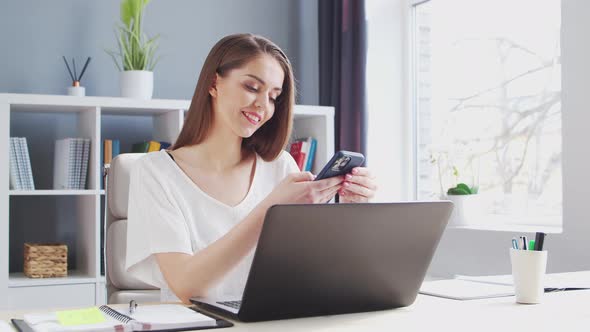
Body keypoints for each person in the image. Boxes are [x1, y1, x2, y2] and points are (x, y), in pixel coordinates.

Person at [125, 33, 377, 304]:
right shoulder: (155, 172)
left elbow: (318, 269)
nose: (263, 105)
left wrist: (354, 210)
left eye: (273, 96)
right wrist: (270, 209)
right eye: (252, 87)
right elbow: (186, 285)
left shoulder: (280, 167)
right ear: (213, 83)